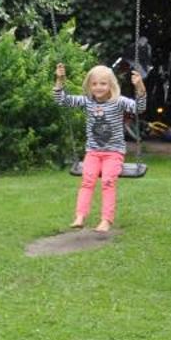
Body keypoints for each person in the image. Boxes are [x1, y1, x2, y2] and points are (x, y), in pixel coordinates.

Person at [55, 62, 148, 233]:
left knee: (107, 181)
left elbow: (139, 108)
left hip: (114, 153)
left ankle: (106, 220)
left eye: (103, 83)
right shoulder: (87, 102)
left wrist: (140, 87)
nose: (98, 87)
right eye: (94, 84)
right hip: (93, 152)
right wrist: (60, 80)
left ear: (111, 85)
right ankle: (80, 216)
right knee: (87, 181)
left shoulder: (119, 102)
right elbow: (62, 100)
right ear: (89, 86)